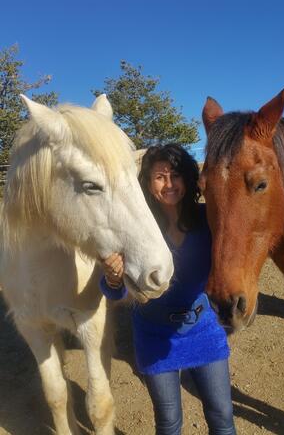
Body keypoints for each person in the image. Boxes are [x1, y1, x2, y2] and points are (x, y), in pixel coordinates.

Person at [100, 144, 236, 435]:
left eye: (175, 175)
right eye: (159, 177)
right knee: (169, 422)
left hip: (204, 329)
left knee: (222, 416)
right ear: (147, 184)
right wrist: (113, 279)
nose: (169, 184)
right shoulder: (135, 228)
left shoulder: (207, 219)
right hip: (153, 335)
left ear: (187, 179)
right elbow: (118, 293)